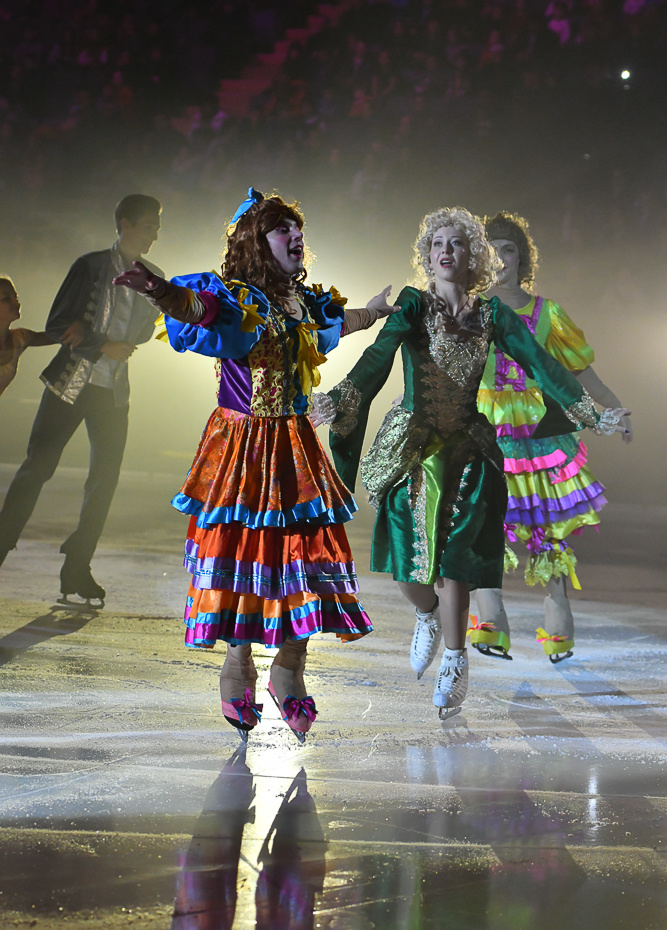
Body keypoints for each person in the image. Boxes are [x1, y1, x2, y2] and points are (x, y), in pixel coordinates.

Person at [321, 206, 628, 719]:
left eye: (457, 243)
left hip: (467, 446)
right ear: (427, 255)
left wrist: (588, 411)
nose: (446, 250)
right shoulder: (414, 306)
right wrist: (346, 394)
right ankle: (426, 616)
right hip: (413, 444)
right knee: (407, 557)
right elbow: (378, 357)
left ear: (472, 258)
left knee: (456, 555)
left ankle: (457, 660)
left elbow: (541, 363)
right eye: (437, 243)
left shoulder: (493, 316)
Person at [114, 188, 394, 741]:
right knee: (249, 554)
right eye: (281, 229)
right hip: (244, 447)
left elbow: (338, 321)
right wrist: (158, 290)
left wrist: (376, 311)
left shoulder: (301, 301)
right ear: (255, 242)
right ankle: (237, 666)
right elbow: (200, 310)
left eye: (297, 227)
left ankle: (290, 669)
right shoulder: (238, 298)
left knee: (307, 557)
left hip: (294, 446)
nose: (295, 236)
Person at [470, 212, 631, 662]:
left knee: (546, 525)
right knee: (485, 522)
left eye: (509, 250)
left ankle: (558, 612)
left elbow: (579, 373)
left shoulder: (545, 313)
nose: (500, 258)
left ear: (523, 259)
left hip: (539, 431)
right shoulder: (470, 308)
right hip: (484, 427)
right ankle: (490, 616)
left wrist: (612, 406)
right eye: (492, 250)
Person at [0, 195, 163, 606]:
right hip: (69, 384)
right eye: (148, 225)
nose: (154, 233)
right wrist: (99, 343)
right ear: (125, 224)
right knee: (37, 468)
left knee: (104, 481)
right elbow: (57, 324)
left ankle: (77, 564)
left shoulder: (154, 276)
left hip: (113, 393)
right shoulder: (90, 266)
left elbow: (146, 331)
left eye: (157, 226)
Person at [0, 276, 77, 397]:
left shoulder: (19, 338)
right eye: (6, 299)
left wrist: (78, 326)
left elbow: (56, 336)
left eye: (16, 297)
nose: (16, 302)